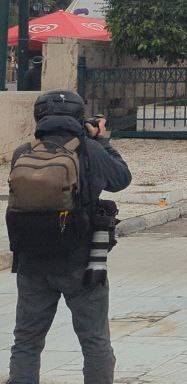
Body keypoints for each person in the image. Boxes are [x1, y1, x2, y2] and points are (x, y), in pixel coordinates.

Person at [7, 91, 131, 384]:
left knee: (26, 342)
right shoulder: (89, 151)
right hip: (82, 263)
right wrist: (103, 140)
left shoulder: (22, 152)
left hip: (31, 264)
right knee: (94, 342)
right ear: (79, 118)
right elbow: (121, 179)